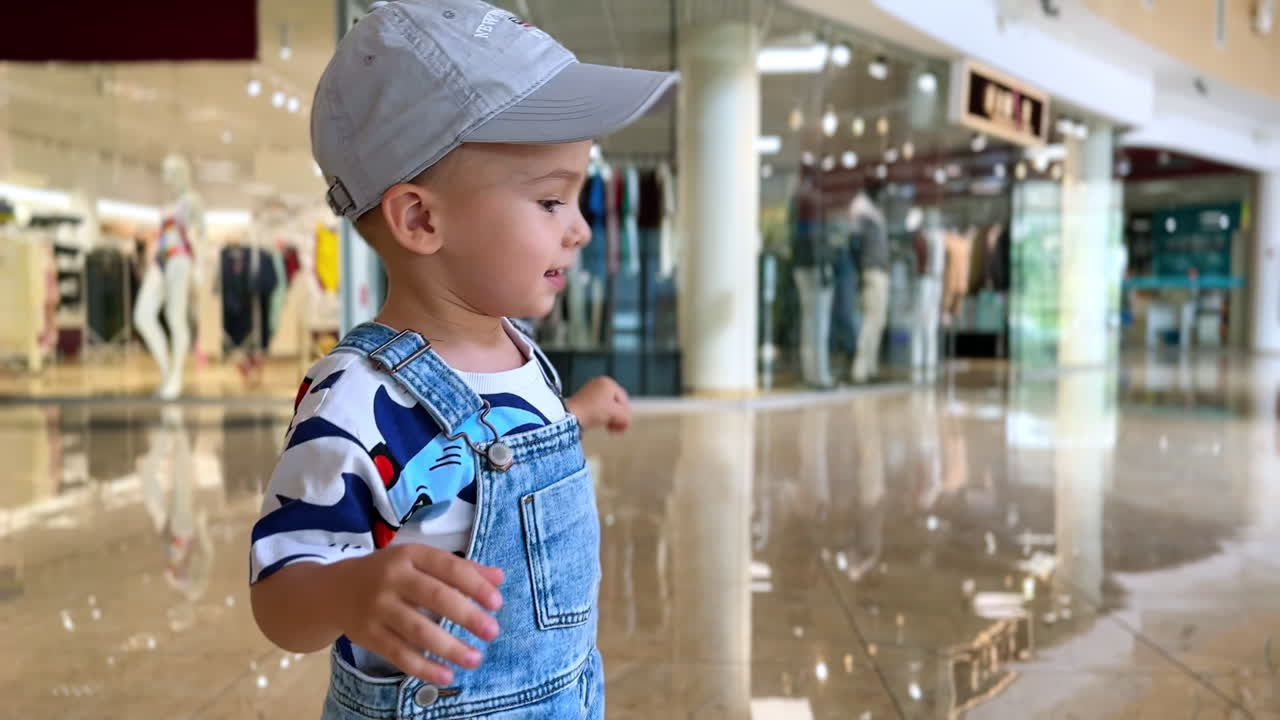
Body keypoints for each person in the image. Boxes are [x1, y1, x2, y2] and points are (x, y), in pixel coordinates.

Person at [247, 2, 676, 718]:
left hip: (568, 694)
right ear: (420, 219)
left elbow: (487, 448)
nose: (580, 229)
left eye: (577, 198)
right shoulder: (354, 398)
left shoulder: (515, 347)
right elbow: (277, 595)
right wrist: (350, 591)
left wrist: (577, 412)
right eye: (550, 200)